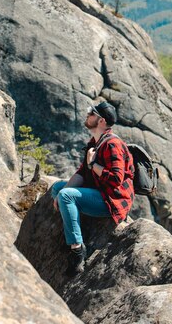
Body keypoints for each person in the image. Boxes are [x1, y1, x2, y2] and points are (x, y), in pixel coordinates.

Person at [51, 101, 134, 275]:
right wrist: (61, 192)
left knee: (66, 196)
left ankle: (77, 250)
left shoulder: (112, 145)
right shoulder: (95, 142)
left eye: (91, 113)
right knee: (58, 189)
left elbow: (116, 179)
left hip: (112, 200)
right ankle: (73, 228)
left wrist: (93, 164)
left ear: (101, 121)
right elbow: (82, 172)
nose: (87, 115)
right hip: (100, 192)